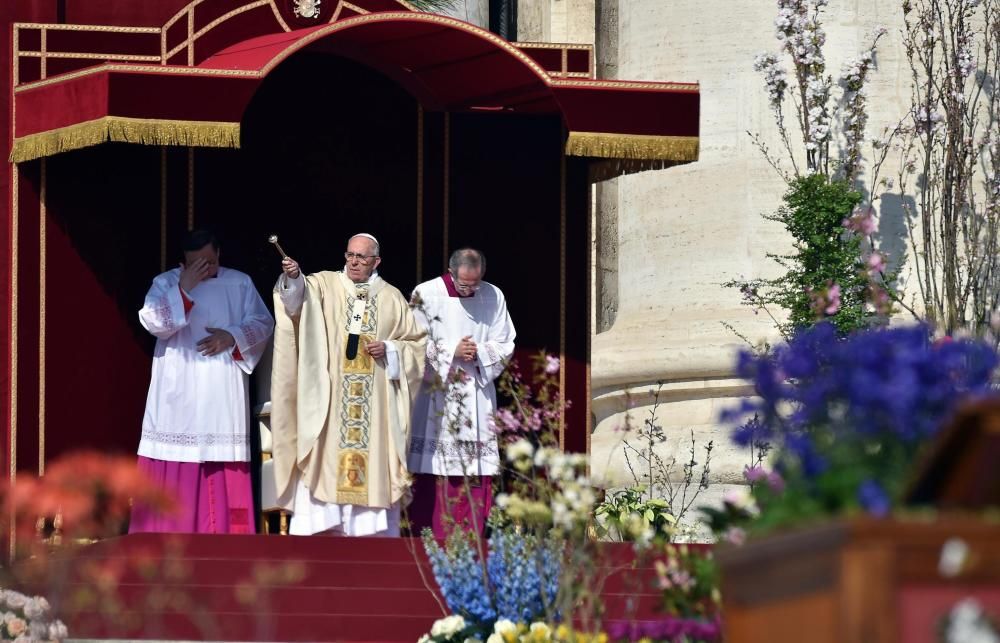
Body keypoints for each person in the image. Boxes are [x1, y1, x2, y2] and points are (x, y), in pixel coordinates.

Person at [270, 233, 426, 537]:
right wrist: (294, 278)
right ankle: (323, 524)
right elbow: (295, 301)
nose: (354, 262)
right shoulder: (325, 285)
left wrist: (391, 349)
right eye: (350, 255)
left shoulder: (392, 298)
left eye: (361, 257)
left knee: (374, 464)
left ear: (376, 261)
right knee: (324, 459)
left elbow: (416, 345)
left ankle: (369, 530)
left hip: (375, 404)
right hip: (332, 398)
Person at [130, 229, 274, 534]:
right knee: (175, 454)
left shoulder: (239, 283)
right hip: (178, 390)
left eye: (209, 262)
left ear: (219, 254)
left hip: (221, 389)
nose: (205, 269)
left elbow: (263, 323)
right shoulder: (166, 283)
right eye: (197, 264)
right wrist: (184, 289)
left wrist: (231, 336)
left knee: (222, 457)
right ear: (183, 263)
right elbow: (153, 322)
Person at [407, 248, 516, 538]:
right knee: (433, 470)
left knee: (473, 473)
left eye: (476, 283)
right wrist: (450, 350)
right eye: (464, 284)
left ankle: (470, 539)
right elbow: (411, 343)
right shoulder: (426, 293)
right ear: (451, 272)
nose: (471, 290)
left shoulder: (494, 295)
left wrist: (478, 352)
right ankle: (427, 537)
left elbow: (506, 342)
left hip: (476, 397)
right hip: (436, 395)